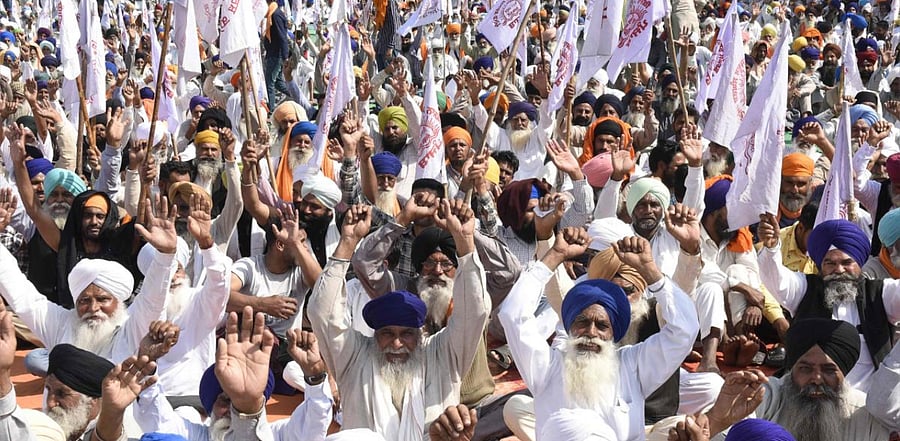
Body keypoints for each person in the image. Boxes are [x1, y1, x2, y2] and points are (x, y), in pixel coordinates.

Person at [309, 202, 490, 439]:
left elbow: (475, 311)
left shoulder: (441, 354)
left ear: (419, 333)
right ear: (374, 334)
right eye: (387, 334)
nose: (396, 344)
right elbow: (323, 313)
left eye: (405, 334)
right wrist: (347, 244)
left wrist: (465, 241)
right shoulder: (355, 357)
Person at [498, 227, 699, 440]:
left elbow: (685, 330)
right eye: (582, 322)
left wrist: (651, 271)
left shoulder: (632, 365)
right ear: (570, 326)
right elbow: (513, 315)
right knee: (569, 423)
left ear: (614, 331)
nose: (590, 333)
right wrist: (555, 255)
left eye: (602, 326)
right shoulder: (548, 367)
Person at [0, 196, 177, 375]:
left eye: (103, 299)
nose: (93, 308)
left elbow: (151, 300)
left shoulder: (130, 329)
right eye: (84, 300)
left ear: (118, 301)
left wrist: (165, 255)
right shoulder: (60, 324)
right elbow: (20, 293)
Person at [132, 309, 332, 441]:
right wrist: (146, 362)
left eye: (237, 402)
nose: (232, 409)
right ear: (210, 406)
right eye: (226, 400)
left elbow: (314, 425)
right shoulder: (192, 435)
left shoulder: (278, 435)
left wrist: (315, 376)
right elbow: (154, 416)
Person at [758, 216, 900, 392]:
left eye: (847, 263)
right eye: (830, 263)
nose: (839, 270)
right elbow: (775, 278)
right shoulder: (805, 289)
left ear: (860, 265)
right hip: (812, 398)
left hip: (864, 404)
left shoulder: (881, 294)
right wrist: (771, 248)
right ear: (820, 266)